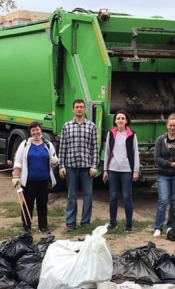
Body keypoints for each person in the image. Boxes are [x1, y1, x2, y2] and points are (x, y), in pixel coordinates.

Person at [57, 99, 99, 230]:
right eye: (77, 107)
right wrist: (61, 166)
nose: (79, 109)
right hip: (71, 166)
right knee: (72, 196)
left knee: (88, 195)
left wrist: (94, 166)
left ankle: (85, 222)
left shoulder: (91, 126)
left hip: (87, 167)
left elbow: (94, 147)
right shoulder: (67, 126)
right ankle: (70, 222)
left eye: (81, 107)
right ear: (73, 109)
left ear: (84, 109)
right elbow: (62, 147)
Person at [12, 121, 59, 234]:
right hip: (29, 181)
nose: (35, 132)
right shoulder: (24, 144)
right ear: (30, 132)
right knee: (27, 204)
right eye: (33, 130)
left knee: (42, 204)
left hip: (44, 180)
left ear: (41, 130)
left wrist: (55, 161)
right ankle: (26, 227)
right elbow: (18, 161)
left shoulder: (48, 144)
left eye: (37, 129)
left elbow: (54, 161)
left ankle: (43, 227)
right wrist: (15, 176)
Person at [102, 110, 140, 232]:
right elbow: (107, 152)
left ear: (126, 121)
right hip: (113, 169)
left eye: (122, 118)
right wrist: (105, 169)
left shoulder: (132, 135)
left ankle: (129, 225)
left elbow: (135, 152)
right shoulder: (111, 134)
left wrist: (135, 170)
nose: (120, 120)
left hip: (127, 170)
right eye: (118, 118)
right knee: (113, 196)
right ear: (115, 121)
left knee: (127, 196)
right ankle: (113, 223)